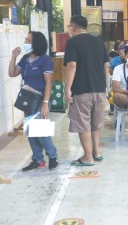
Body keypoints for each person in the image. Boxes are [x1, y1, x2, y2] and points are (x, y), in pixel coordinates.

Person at [8, 31, 58, 171]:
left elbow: (49, 83)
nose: (26, 42)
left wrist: (45, 103)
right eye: (26, 39)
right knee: (30, 130)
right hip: (28, 100)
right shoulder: (25, 58)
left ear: (36, 43)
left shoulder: (45, 60)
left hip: (40, 99)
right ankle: (38, 159)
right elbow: (12, 73)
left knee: (40, 131)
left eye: (28, 40)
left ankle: (52, 155)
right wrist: (13, 57)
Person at [64, 15, 109, 166]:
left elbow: (71, 65)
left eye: (70, 26)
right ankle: (97, 152)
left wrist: (68, 88)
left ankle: (87, 158)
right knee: (95, 123)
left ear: (74, 27)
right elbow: (106, 66)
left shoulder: (72, 42)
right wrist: (106, 86)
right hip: (99, 89)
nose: (69, 29)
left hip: (81, 89)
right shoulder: (99, 42)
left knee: (83, 124)